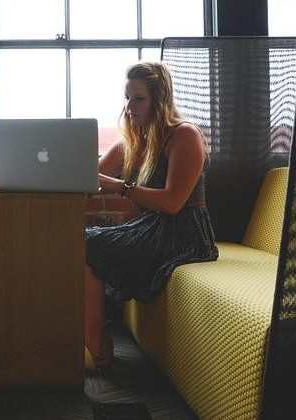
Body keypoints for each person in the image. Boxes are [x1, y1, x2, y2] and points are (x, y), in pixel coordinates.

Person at [84, 61, 219, 368]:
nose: (129, 106)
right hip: (149, 228)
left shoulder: (184, 135)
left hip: (184, 233)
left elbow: (173, 203)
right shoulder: (133, 141)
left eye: (138, 98)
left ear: (160, 100)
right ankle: (95, 340)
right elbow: (90, 178)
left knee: (88, 244)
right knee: (81, 241)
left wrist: (121, 187)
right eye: (127, 98)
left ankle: (96, 346)